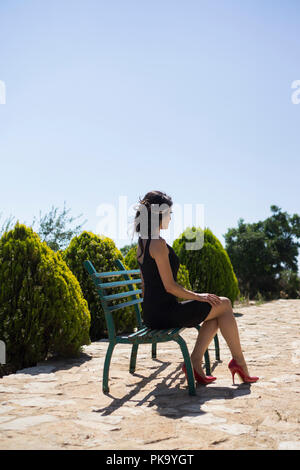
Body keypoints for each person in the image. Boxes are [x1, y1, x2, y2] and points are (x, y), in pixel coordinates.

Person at [134, 190, 259, 385]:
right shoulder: (157, 244)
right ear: (159, 214)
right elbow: (169, 286)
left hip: (153, 313)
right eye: (169, 213)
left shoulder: (142, 243)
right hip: (164, 313)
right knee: (223, 304)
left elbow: (145, 285)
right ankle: (237, 363)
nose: (170, 217)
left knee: (217, 310)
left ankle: (196, 362)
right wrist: (199, 296)